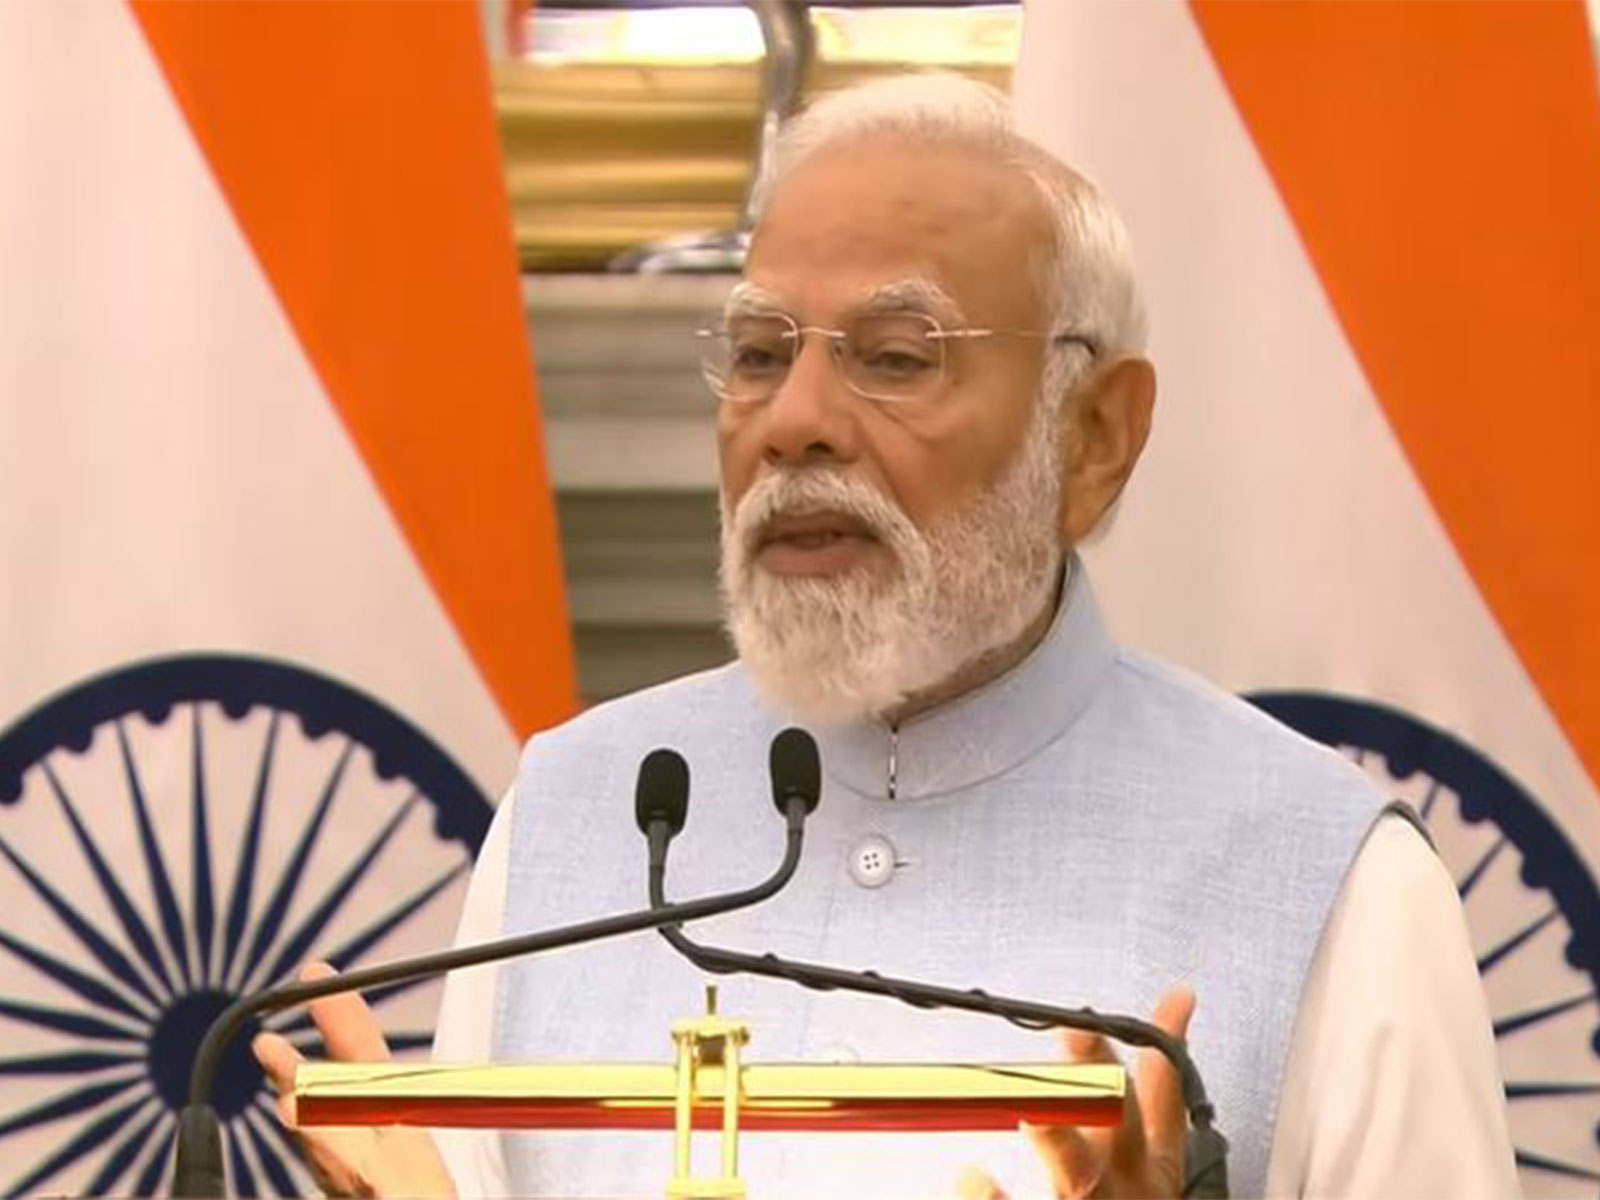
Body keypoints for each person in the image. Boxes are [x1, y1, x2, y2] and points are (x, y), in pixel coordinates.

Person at [255, 73, 1519, 1198]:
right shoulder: (577, 815)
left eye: (897, 358)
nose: (792, 421)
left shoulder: (1324, 875)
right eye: (757, 353)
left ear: (1094, 438)